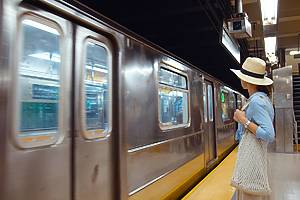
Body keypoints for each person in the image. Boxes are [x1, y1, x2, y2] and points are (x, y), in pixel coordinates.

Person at [231, 57, 275, 200]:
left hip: (252, 160)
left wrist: (243, 120)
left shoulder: (256, 102)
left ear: (248, 80)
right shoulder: (262, 99)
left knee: (250, 195)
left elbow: (269, 134)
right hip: (256, 156)